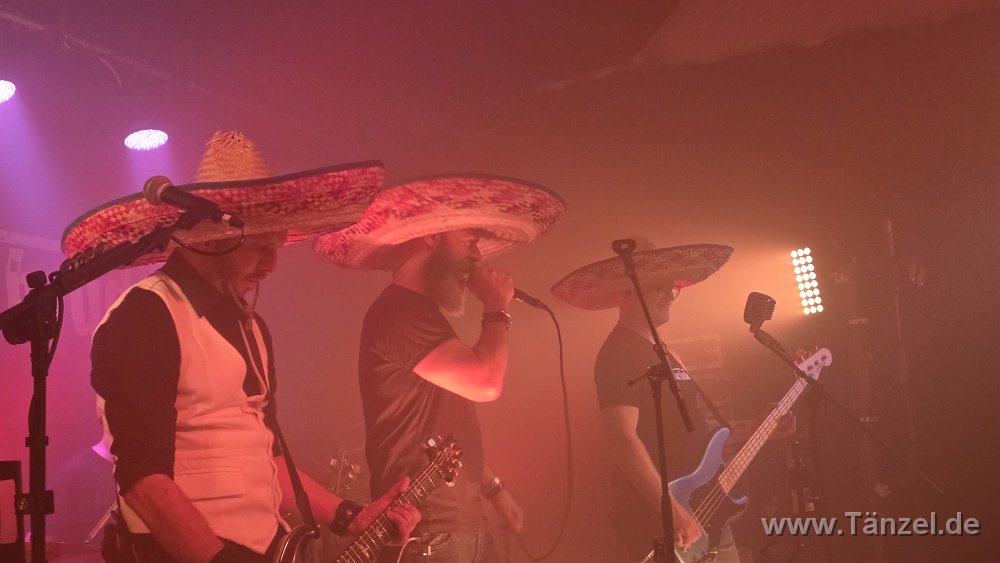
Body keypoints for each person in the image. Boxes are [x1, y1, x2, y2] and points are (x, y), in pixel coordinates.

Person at [62, 131, 420, 563]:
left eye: (278, 246)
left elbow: (264, 459)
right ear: (213, 236)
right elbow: (142, 480)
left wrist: (351, 516)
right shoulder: (145, 316)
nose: (272, 265)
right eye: (261, 247)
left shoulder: (252, 328)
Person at [315, 175, 566, 562]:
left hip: (453, 527)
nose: (477, 256)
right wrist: (496, 306)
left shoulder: (421, 314)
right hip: (427, 531)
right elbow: (486, 382)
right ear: (432, 236)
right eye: (469, 240)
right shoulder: (399, 312)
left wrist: (495, 491)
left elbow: (446, 426)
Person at [551, 240, 794, 563]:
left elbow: (694, 432)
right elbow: (621, 438)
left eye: (672, 288)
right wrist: (670, 509)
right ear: (627, 293)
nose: (669, 295)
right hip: (669, 520)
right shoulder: (619, 353)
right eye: (658, 288)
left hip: (705, 508)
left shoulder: (666, 352)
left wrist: (757, 430)